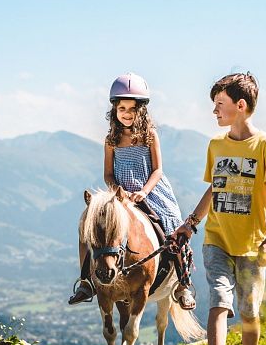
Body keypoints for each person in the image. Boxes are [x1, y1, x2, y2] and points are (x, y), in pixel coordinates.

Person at [175, 73, 266, 345]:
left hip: (253, 244)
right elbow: (215, 187)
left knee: (250, 310)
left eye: (219, 105)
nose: (214, 112)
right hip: (217, 238)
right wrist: (192, 222)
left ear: (240, 106)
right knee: (219, 301)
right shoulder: (216, 145)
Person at [68, 72, 195, 310]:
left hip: (152, 191)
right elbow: (107, 173)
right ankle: (87, 281)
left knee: (173, 228)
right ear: (114, 110)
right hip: (120, 194)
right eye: (122, 108)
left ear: (141, 110)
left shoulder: (149, 135)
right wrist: (118, 190)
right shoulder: (111, 139)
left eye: (132, 108)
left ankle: (183, 285)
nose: (126, 113)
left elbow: (157, 170)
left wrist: (144, 192)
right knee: (89, 229)